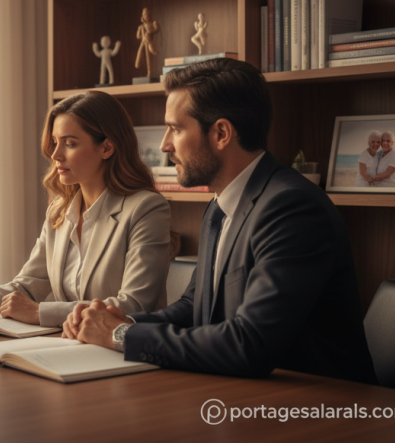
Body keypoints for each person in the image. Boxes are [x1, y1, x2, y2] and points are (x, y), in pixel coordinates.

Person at [62, 58, 376, 383]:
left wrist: (121, 336)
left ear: (222, 133)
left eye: (176, 128)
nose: (164, 145)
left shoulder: (291, 208)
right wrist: (121, 321)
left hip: (323, 410)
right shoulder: (220, 204)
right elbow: (194, 307)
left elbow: (249, 344)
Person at [0, 91, 171, 328]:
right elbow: (27, 287)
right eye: (54, 142)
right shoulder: (59, 212)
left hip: (122, 353)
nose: (55, 155)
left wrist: (39, 312)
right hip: (69, 344)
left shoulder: (146, 209)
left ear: (106, 148)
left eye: (69, 144)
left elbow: (135, 304)